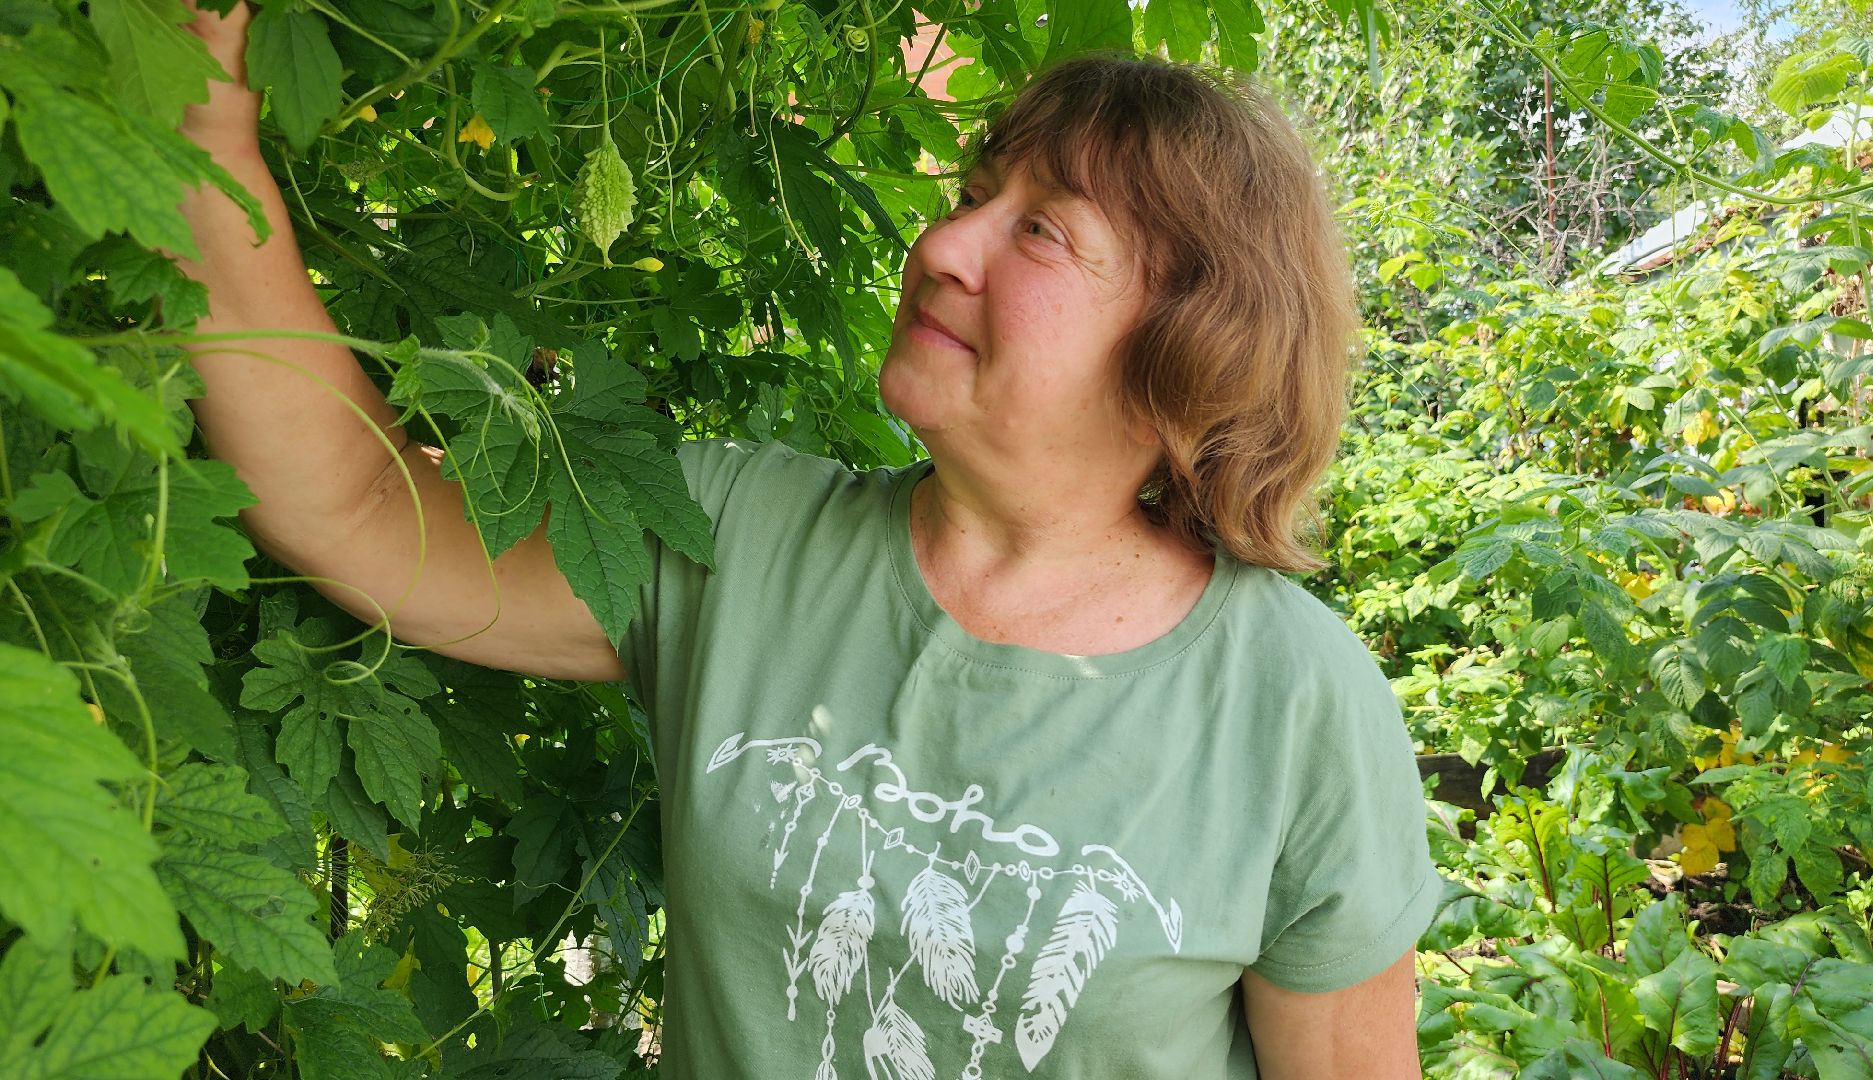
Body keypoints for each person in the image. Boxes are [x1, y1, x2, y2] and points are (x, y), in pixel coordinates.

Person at [178, 6, 1439, 1076]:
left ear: (1191, 347)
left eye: (1042, 231)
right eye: (974, 197)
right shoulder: (735, 535)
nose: (941, 246)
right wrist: (205, 125)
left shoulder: (1292, 706)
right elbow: (350, 505)